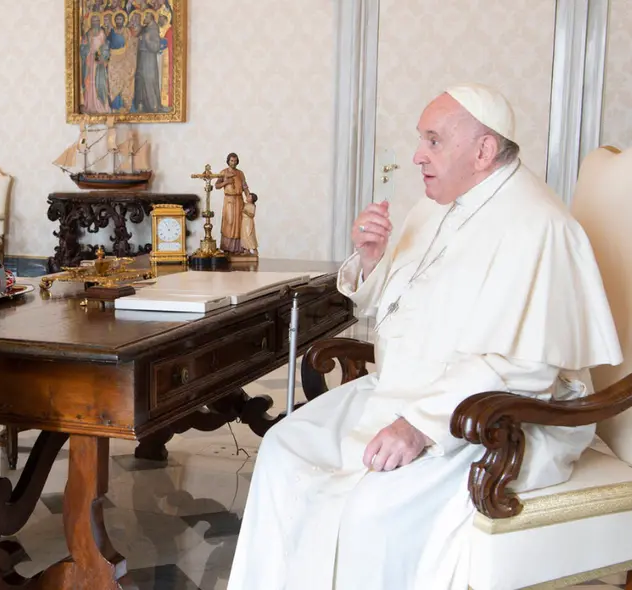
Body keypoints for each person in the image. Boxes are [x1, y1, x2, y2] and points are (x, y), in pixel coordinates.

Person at [227, 83, 622, 589]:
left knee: (374, 504)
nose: (417, 155)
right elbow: (390, 306)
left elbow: (527, 369)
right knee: (283, 447)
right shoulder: (435, 206)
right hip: (405, 390)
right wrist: (371, 260)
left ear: (483, 151)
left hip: (495, 417)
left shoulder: (538, 226)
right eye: (421, 140)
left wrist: (418, 424)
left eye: (433, 140)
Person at [215, 152, 250, 253]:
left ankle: (239, 248)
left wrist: (248, 196)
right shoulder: (223, 172)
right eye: (231, 161)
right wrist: (226, 182)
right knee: (229, 222)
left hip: (239, 200)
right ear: (228, 161)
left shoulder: (240, 173)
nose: (233, 163)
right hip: (229, 200)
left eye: (235, 161)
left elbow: (245, 186)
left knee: (239, 223)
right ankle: (227, 247)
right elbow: (217, 186)